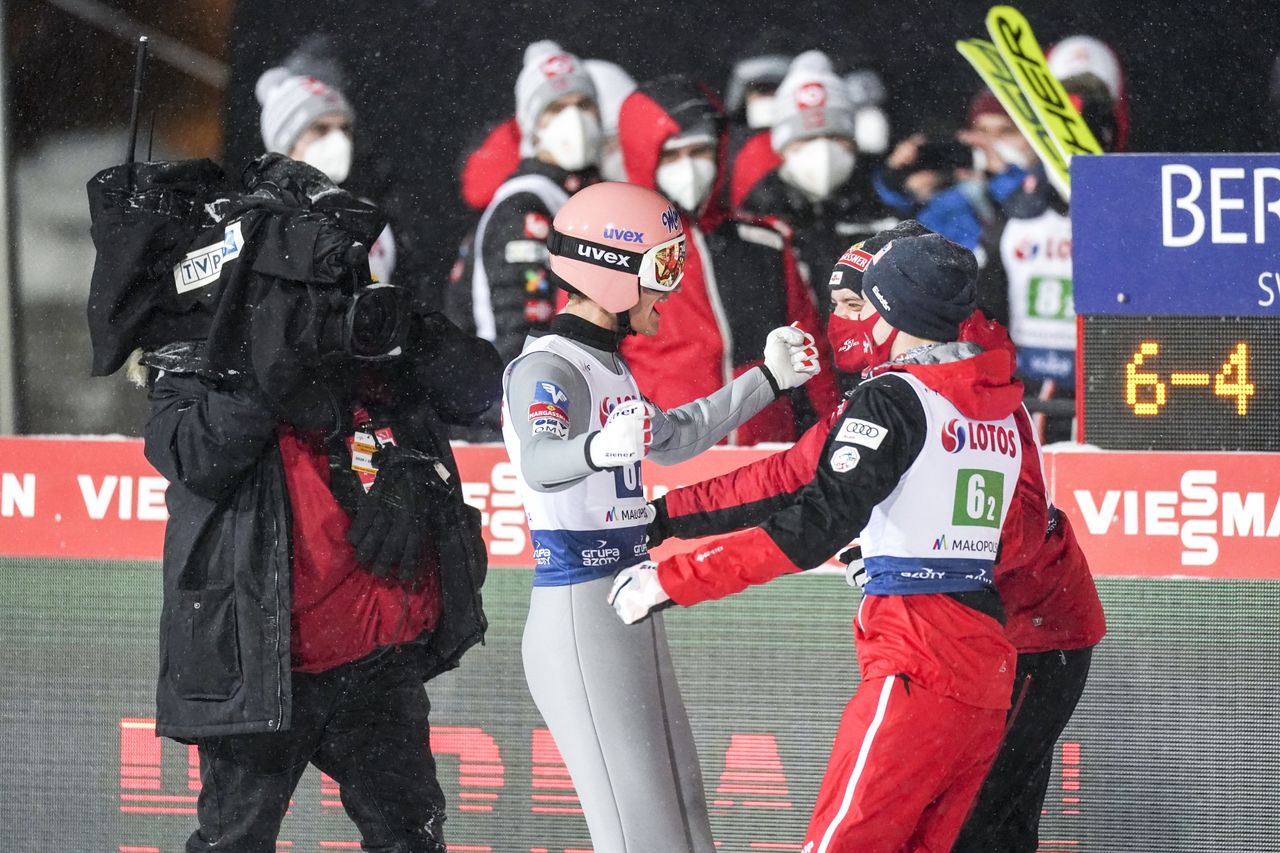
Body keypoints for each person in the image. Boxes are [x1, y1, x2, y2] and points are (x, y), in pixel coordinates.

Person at [646, 222, 1105, 853]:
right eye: (832, 306)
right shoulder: (895, 385)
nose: (839, 323)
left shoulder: (973, 383)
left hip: (1031, 628)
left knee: (982, 829)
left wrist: (924, 551)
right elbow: (796, 472)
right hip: (964, 636)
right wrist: (665, 515)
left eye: (853, 306)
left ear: (893, 306)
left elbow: (1019, 523)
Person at [138, 156, 502, 852]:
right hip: (266, 667)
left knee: (409, 836)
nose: (324, 293)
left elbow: (483, 391)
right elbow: (193, 455)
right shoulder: (202, 356)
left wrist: (410, 350)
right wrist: (265, 361)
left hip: (377, 662)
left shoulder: (374, 336)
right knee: (235, 840)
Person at [502, 180, 822, 853]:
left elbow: (678, 432)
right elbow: (540, 459)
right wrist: (593, 445)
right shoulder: (549, 366)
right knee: (640, 831)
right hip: (580, 606)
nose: (670, 289)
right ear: (608, 269)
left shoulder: (607, 364)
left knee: (681, 815)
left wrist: (766, 377)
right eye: (662, 269)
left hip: (625, 600)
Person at [616, 74, 838, 443]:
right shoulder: (616, 252)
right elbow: (584, 361)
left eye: (699, 152)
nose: (689, 168)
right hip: (663, 456)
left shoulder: (763, 244)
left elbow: (811, 356)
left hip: (763, 458)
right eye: (671, 155)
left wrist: (829, 438)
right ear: (644, 158)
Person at [977, 72, 1118, 444]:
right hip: (1028, 387)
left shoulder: (1129, 210)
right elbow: (986, 303)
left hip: (1110, 389)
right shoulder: (1016, 212)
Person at [446, 40, 601, 367]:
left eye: (584, 105)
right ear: (532, 124)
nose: (574, 118)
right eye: (556, 109)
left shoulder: (583, 192)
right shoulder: (525, 205)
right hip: (531, 395)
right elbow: (521, 333)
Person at [738, 50, 897, 309]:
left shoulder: (882, 216)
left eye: (835, 137)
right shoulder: (754, 221)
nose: (822, 150)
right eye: (807, 139)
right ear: (783, 147)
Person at [256, 64, 397, 284]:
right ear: (287, 145)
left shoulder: (372, 221)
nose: (339, 140)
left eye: (345, 129)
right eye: (321, 129)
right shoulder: (257, 225)